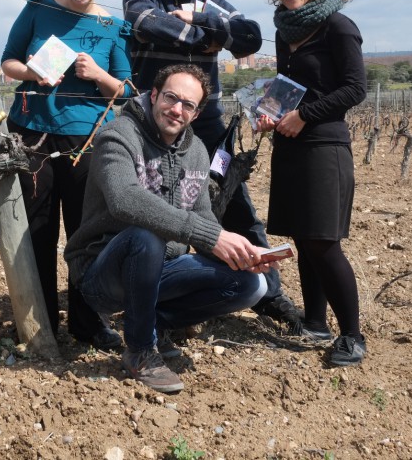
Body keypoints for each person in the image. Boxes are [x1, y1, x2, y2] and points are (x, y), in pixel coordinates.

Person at [123, 0, 302, 329]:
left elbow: (252, 37)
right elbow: (148, 24)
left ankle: (268, 294)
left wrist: (196, 19)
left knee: (235, 204)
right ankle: (144, 296)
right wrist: (215, 37)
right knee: (150, 209)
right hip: (149, 127)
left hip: (206, 127)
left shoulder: (213, 2)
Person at [65, 64, 271, 393]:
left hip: (164, 269)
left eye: (187, 104)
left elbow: (204, 220)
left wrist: (240, 254)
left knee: (251, 285)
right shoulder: (117, 135)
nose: (177, 109)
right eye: (171, 98)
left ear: (197, 111)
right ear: (155, 95)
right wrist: (211, 236)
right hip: (103, 273)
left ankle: (154, 323)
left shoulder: (198, 153)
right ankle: (140, 351)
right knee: (145, 235)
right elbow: (124, 200)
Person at [0, 0, 132, 349]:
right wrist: (34, 73)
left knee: (85, 232)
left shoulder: (113, 26)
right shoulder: (38, 6)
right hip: (32, 136)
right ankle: (38, 325)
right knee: (36, 230)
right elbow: (8, 62)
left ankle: (87, 323)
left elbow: (127, 90)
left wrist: (99, 75)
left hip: (88, 139)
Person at [257, 0, 368, 367]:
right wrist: (270, 113)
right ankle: (316, 321)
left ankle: (353, 336)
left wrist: (305, 115)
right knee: (304, 239)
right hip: (290, 145)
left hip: (324, 145)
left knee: (323, 243)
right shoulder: (287, 31)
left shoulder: (339, 27)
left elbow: (355, 89)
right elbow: (287, 85)